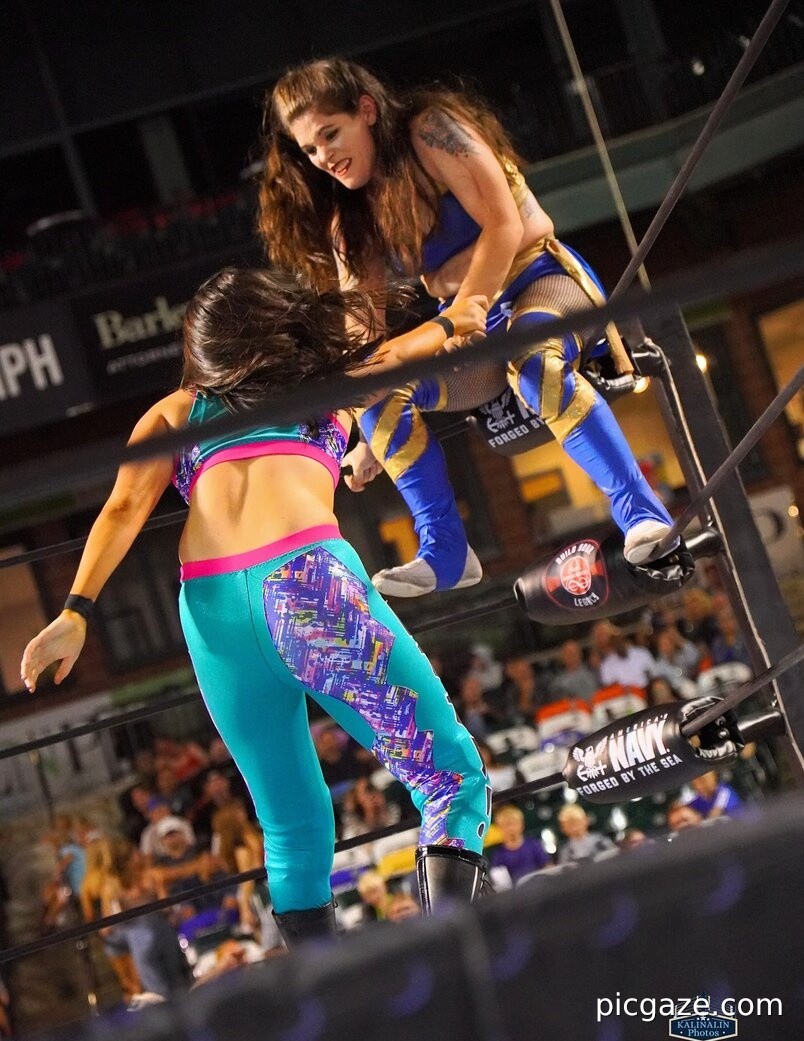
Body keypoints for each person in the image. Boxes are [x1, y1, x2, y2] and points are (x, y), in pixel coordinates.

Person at [20, 268, 491, 947]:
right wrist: (454, 318)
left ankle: (326, 995)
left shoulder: (177, 411)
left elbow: (122, 508)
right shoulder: (325, 383)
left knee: (292, 828)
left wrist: (75, 612)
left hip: (211, 613)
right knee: (451, 778)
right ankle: (454, 962)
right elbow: (408, 351)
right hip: (305, 586)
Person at [259, 57, 676, 597]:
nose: (324, 157)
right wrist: (365, 434)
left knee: (534, 362)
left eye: (330, 134)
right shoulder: (352, 221)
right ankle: (447, 554)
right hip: (471, 325)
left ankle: (642, 514)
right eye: (310, 150)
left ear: (366, 110)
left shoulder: (431, 131)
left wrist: (463, 307)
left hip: (539, 280)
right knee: (378, 393)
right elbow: (362, 342)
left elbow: (507, 224)